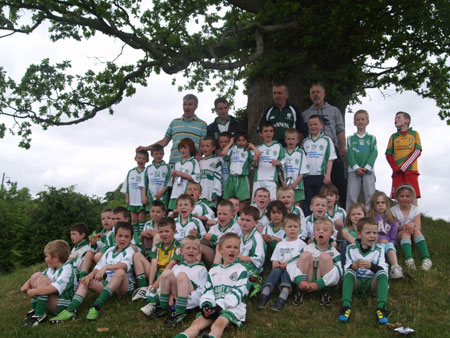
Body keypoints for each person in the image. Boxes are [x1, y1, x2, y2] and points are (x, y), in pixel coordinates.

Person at [50, 222, 136, 322]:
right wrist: (90, 275)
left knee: (120, 271)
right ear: (114, 236)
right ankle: (70, 310)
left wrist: (106, 268)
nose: (122, 239)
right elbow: (98, 266)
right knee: (85, 280)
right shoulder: (109, 250)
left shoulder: (130, 250)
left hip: (123, 287)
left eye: (126, 236)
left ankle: (96, 305)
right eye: (120, 236)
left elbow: (125, 265)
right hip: (108, 285)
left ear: (131, 238)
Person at [173, 233, 249, 338]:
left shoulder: (241, 270)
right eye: (228, 247)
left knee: (219, 323)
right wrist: (206, 304)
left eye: (236, 247)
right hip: (213, 306)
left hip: (232, 307)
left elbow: (237, 293)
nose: (232, 250)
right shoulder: (213, 271)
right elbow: (208, 290)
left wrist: (219, 307)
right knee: (197, 323)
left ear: (239, 252)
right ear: (219, 250)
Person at [142, 236, 208, 327]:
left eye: (194, 249)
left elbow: (201, 291)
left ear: (198, 252)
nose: (191, 251)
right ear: (181, 251)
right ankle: (163, 306)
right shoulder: (178, 266)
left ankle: (180, 311)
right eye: (188, 248)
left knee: (181, 275)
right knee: (167, 272)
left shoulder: (202, 269)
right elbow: (167, 283)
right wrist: (171, 295)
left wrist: (188, 301)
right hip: (174, 295)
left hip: (188, 296)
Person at [302, 83, 347, 207]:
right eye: (313, 93)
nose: (316, 95)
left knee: (338, 183)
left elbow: (340, 129)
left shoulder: (334, 110)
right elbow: (302, 133)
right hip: (314, 154)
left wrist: (343, 146)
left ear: (324, 94)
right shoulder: (306, 114)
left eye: (318, 92)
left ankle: (340, 210)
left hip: (333, 150)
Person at [338, 217, 389, 325]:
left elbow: (383, 268)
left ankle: (381, 308)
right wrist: (353, 267)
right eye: (368, 233)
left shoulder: (379, 249)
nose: (372, 235)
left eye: (375, 233)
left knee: (382, 273)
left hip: (372, 283)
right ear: (359, 235)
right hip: (356, 282)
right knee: (349, 272)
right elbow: (346, 267)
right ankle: (346, 306)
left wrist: (371, 266)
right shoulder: (350, 248)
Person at [137, 94, 207, 166]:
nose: (186, 107)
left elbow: (203, 146)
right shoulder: (174, 122)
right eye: (184, 104)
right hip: (174, 164)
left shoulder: (202, 124)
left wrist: (198, 155)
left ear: (195, 107)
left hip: (192, 166)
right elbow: (164, 141)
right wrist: (147, 148)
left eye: (190, 104)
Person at [287, 217, 342, 306]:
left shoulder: (334, 252)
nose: (321, 232)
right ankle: (301, 289)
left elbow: (338, 272)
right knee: (305, 255)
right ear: (314, 232)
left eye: (325, 230)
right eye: (318, 229)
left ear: (331, 233)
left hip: (323, 283)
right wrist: (299, 280)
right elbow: (291, 263)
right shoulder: (307, 248)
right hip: (306, 281)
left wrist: (320, 283)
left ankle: (325, 292)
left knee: (325, 257)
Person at [21, 240, 76, 328]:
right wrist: (26, 285)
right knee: (37, 275)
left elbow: (53, 288)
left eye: (46, 256)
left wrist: (34, 292)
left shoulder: (67, 269)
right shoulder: (52, 268)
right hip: (54, 302)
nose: (45, 259)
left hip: (62, 306)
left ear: (55, 257)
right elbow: (37, 276)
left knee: (43, 280)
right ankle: (36, 309)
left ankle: (39, 315)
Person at [258, 213, 306, 311]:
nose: (292, 229)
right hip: (280, 268)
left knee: (288, 271)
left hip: (292, 269)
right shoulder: (280, 244)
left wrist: (289, 263)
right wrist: (275, 262)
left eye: (295, 227)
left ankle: (283, 296)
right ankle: (265, 292)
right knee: (275, 271)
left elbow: (301, 258)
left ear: (299, 228)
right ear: (284, 228)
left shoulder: (301, 244)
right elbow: (275, 257)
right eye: (289, 226)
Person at [301, 115, 336, 215]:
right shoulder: (305, 141)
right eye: (310, 125)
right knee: (309, 200)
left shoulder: (327, 140)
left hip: (321, 175)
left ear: (321, 125)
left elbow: (330, 158)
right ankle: (309, 221)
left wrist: (328, 175)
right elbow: (302, 160)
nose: (313, 127)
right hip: (308, 176)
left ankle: (322, 221)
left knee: (321, 200)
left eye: (315, 124)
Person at [391, 184, 431, 271]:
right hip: (400, 236)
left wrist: (413, 225)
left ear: (412, 197)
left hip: (413, 234)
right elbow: (395, 228)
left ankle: (426, 259)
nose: (405, 198)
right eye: (402, 196)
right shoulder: (393, 210)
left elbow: (418, 226)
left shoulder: (415, 210)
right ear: (397, 197)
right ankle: (409, 259)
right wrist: (407, 226)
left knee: (416, 229)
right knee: (406, 231)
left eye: (407, 196)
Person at [385, 111, 422, 199]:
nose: (395, 120)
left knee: (413, 196)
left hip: (410, 171)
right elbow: (388, 155)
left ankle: (415, 213)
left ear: (406, 120)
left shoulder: (414, 134)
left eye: (398, 118)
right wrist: (396, 168)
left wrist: (404, 166)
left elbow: (417, 151)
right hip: (397, 172)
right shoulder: (393, 137)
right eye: (395, 118)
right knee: (398, 197)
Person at [346, 109, 377, 210]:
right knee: (352, 194)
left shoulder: (371, 138)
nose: (360, 121)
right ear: (354, 122)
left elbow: (374, 153)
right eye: (358, 119)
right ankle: (350, 217)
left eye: (362, 119)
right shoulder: (350, 138)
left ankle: (370, 217)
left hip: (368, 170)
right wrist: (356, 167)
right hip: (354, 170)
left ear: (367, 122)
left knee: (370, 194)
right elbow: (350, 154)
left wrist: (367, 167)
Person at [368, 191, 404, 279]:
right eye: (377, 203)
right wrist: (379, 239)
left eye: (383, 202)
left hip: (388, 243)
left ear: (387, 204)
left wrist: (387, 242)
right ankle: (378, 269)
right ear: (373, 205)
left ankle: (395, 267)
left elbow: (394, 238)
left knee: (390, 248)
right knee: (378, 251)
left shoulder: (392, 220)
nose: (380, 205)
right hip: (374, 242)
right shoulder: (369, 218)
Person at [221, 131, 259, 208]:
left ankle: (241, 217)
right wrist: (230, 143)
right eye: (239, 140)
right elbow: (223, 153)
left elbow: (258, 153)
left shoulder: (248, 152)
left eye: (243, 140)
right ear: (235, 141)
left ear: (247, 141)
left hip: (242, 179)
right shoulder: (232, 150)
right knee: (229, 201)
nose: (241, 142)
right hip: (231, 178)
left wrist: (251, 146)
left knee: (242, 201)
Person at [201, 200, 242, 264]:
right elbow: (210, 241)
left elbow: (230, 243)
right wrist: (202, 237)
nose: (221, 217)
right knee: (197, 244)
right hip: (213, 254)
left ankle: (215, 269)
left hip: (228, 256)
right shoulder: (214, 227)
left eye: (225, 214)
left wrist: (214, 238)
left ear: (232, 216)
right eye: (219, 214)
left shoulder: (236, 227)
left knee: (218, 246)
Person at [252, 121, 284, 200]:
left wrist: (278, 162)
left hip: (271, 179)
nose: (268, 133)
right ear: (260, 133)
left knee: (271, 202)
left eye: (270, 131)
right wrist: (255, 161)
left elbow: (284, 161)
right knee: (256, 202)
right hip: (258, 179)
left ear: (273, 133)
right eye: (265, 131)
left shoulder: (278, 146)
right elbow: (253, 165)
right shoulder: (258, 148)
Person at [168, 138, 201, 210]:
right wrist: (173, 176)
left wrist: (183, 174)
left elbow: (197, 178)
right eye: (181, 148)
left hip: (185, 193)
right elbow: (172, 182)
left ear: (191, 149)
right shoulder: (177, 163)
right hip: (175, 193)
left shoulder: (193, 162)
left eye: (185, 148)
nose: (182, 150)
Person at [121, 149, 149, 234]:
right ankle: (135, 236)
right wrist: (127, 198)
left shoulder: (147, 171)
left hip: (141, 199)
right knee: (134, 219)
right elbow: (127, 186)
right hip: (132, 199)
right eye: (139, 158)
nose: (141, 160)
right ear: (135, 158)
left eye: (143, 158)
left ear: (147, 160)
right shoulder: (131, 172)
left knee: (141, 218)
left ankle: (142, 235)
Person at [279, 128, 309, 205]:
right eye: (289, 139)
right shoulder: (282, 151)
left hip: (297, 185)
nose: (291, 141)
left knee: (297, 206)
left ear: (297, 140)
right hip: (284, 185)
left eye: (293, 139)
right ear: (285, 140)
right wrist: (282, 182)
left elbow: (303, 170)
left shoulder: (300, 152)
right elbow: (279, 170)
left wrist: (296, 182)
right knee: (284, 205)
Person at [238, 206, 266, 282]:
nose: (244, 223)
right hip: (240, 263)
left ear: (256, 222)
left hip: (252, 267)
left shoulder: (257, 238)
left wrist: (242, 258)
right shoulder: (241, 235)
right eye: (242, 219)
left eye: (248, 220)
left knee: (237, 273)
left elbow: (260, 259)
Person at [139, 144, 171, 211]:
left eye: (160, 153)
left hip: (163, 196)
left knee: (162, 214)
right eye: (156, 154)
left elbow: (169, 181)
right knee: (153, 214)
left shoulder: (167, 167)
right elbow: (144, 183)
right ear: (152, 155)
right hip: (150, 196)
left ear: (163, 154)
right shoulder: (148, 168)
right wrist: (144, 196)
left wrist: (161, 193)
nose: (158, 156)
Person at [199, 136, 222, 208]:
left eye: (207, 146)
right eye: (202, 146)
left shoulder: (216, 160)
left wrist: (215, 192)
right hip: (200, 194)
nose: (204, 148)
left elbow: (218, 177)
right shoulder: (199, 162)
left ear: (213, 148)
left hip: (210, 193)